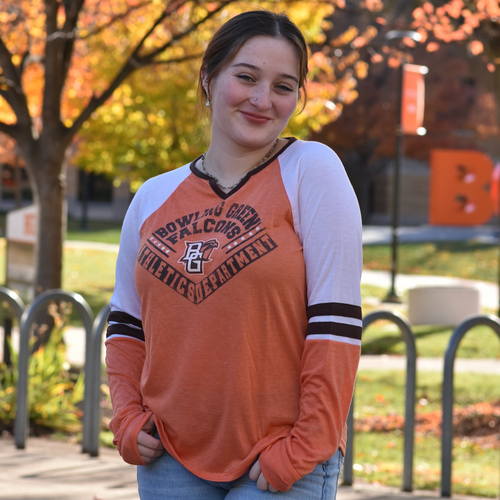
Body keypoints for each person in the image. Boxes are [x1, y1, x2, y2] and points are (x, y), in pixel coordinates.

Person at [105, 9, 363, 499]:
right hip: (170, 454)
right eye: (246, 77)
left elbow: (336, 326)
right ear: (208, 78)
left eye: (284, 87)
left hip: (279, 457)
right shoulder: (152, 197)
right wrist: (126, 417)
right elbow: (126, 326)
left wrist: (306, 445)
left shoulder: (312, 170)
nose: (263, 100)